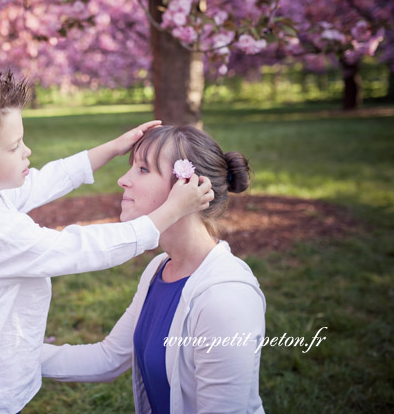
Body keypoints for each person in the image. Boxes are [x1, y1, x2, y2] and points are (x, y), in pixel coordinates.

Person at [0, 65, 214, 414]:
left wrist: (113, 148)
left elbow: (47, 180)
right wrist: (170, 211)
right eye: (14, 148)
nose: (27, 151)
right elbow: (84, 248)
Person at [41, 125, 267, 414]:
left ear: (187, 187)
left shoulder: (226, 298)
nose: (123, 180)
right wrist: (4, 357)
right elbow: (108, 358)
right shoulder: (159, 269)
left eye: (143, 169)